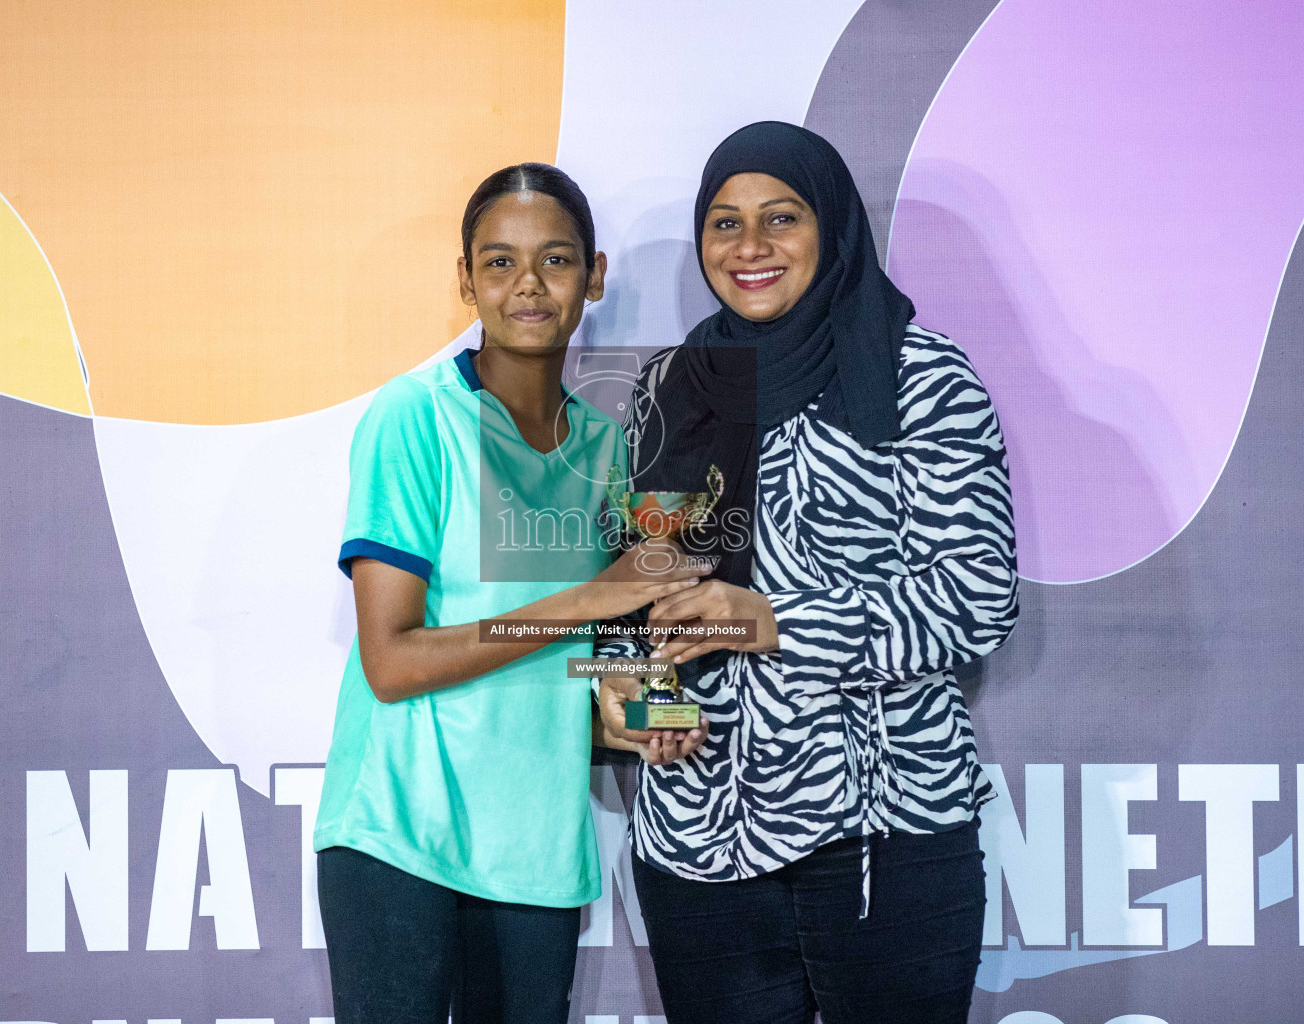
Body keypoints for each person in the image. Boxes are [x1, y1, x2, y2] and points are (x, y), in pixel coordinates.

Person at [598, 122, 1020, 1024]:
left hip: (884, 841)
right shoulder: (671, 385)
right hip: (697, 841)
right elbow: (640, 590)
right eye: (724, 223)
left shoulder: (925, 378)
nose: (749, 248)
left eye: (779, 218)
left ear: (831, 227)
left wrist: (769, 618)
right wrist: (630, 692)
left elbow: (976, 599)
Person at [313, 162, 702, 1024]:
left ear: (594, 276)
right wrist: (588, 602)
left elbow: (610, 650)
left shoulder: (609, 446)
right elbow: (392, 661)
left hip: (534, 846)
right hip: (398, 834)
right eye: (498, 262)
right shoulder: (413, 417)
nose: (528, 284)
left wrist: (645, 709)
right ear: (465, 281)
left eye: (556, 260)